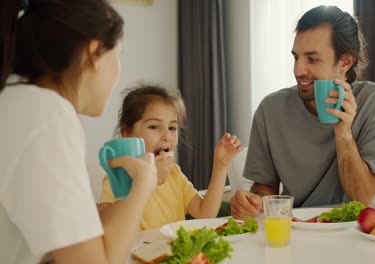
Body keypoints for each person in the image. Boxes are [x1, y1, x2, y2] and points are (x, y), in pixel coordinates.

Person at [0, 1, 159, 263]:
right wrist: (143, 185)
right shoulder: (46, 114)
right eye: (121, 54)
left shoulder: (16, 103)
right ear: (94, 52)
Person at [230, 5, 375, 220]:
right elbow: (265, 189)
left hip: (354, 231)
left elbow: (362, 198)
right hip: (297, 229)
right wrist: (253, 203)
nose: (298, 70)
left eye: (312, 59)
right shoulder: (270, 109)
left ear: (345, 62)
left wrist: (344, 133)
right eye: (296, 57)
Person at [99, 84, 244, 230]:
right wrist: (148, 181)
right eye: (154, 126)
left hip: (173, 252)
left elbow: (205, 213)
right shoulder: (118, 176)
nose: (167, 136)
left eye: (172, 128)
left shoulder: (174, 173)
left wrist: (221, 165)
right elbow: (106, 224)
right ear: (127, 133)